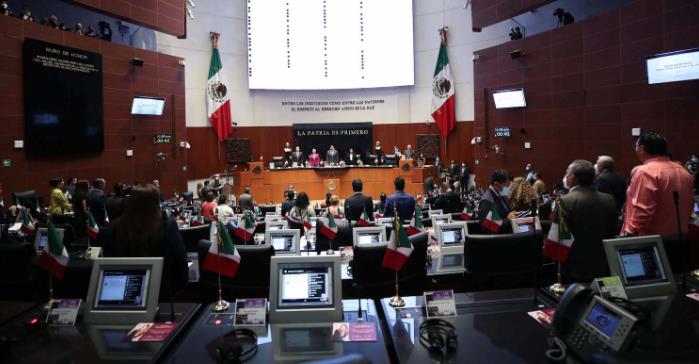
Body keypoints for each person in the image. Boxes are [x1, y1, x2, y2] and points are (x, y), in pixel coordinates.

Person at [97, 185, 188, 294]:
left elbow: (108, 265)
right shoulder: (166, 225)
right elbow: (180, 266)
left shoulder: (113, 226)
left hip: (122, 292)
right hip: (161, 292)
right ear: (156, 204)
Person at [621, 132, 694, 236]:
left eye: (635, 146)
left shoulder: (646, 171)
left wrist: (630, 232)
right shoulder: (684, 171)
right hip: (681, 237)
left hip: (653, 241)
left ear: (641, 149)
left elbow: (642, 210)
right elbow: (690, 204)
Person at [559, 160, 618, 281]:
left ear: (572, 178)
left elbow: (561, 239)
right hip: (605, 266)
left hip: (575, 269)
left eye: (567, 173)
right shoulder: (609, 199)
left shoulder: (566, 201)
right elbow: (612, 231)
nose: (565, 177)